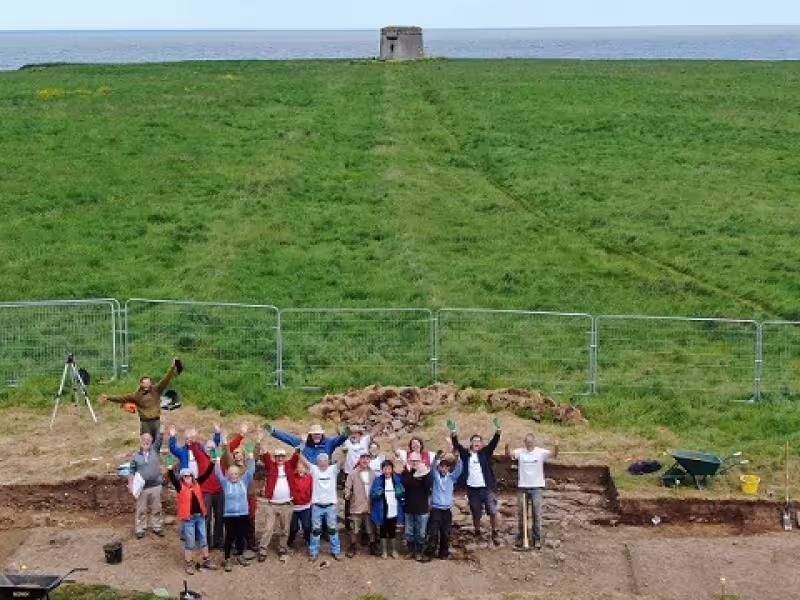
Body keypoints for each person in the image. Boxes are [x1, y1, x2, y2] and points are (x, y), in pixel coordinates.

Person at [169, 424, 224, 549]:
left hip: (199, 483)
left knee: (200, 511)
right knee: (188, 508)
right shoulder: (183, 450)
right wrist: (172, 436)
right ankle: (189, 534)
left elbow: (213, 446)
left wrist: (217, 433)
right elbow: (172, 448)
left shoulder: (201, 449)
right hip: (187, 483)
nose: (189, 440)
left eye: (191, 438)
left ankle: (208, 538)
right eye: (187, 438)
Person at [448, 418, 502, 545]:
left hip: (486, 487)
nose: (476, 442)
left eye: (479, 441)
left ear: (482, 444)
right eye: (474, 441)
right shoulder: (466, 454)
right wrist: (453, 432)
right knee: (475, 511)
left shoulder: (485, 453)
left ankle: (494, 531)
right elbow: (456, 445)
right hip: (472, 489)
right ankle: (477, 530)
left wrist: (498, 430)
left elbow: (494, 442)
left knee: (492, 510)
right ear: (471, 443)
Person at [99, 358, 179, 439]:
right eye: (145, 383)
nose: (147, 384)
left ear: (151, 383)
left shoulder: (156, 390)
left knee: (158, 442)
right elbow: (121, 398)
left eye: (148, 382)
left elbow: (165, 379)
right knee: (146, 442)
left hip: (156, 421)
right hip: (145, 423)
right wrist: (108, 397)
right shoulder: (136, 396)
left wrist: (172, 368)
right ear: (141, 384)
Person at [506, 433, 559, 551]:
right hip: (522, 487)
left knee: (537, 513)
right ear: (524, 442)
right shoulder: (520, 452)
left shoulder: (541, 452)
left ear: (535, 442)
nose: (529, 444)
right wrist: (507, 445)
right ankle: (521, 538)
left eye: (531, 442)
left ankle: (537, 539)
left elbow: (554, 455)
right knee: (521, 514)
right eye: (527, 442)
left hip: (536, 487)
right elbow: (508, 454)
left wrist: (556, 446)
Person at [167, 463, 217, 574]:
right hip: (188, 519)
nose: (188, 477)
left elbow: (207, 474)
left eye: (190, 475)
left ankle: (206, 560)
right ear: (182, 478)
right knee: (190, 542)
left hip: (199, 517)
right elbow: (172, 478)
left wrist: (212, 463)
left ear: (193, 476)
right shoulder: (180, 486)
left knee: (204, 539)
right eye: (185, 476)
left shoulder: (197, 483)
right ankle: (188, 563)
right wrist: (170, 469)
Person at [214, 444, 256, 572]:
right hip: (230, 515)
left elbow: (251, 470)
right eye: (231, 474)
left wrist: (250, 456)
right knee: (229, 537)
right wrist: (216, 460)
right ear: (228, 474)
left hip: (243, 513)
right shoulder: (225, 483)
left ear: (239, 474)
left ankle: (240, 555)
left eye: (236, 473)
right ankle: (227, 559)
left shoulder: (244, 481)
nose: (233, 476)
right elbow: (218, 473)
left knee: (240, 536)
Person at [221, 424, 259, 560]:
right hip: (238, 499)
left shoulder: (248, 465)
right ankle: (238, 546)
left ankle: (251, 543)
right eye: (236, 454)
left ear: (243, 455)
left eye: (240, 454)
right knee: (238, 522)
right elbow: (226, 456)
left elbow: (255, 455)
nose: (238, 457)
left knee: (250, 521)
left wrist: (258, 441)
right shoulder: (233, 468)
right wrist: (225, 443)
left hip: (250, 496)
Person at [258, 440, 299, 561]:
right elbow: (265, 455)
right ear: (275, 458)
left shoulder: (289, 466)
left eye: (282, 456)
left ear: (285, 457)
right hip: (272, 504)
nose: (280, 458)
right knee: (268, 528)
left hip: (286, 503)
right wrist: (261, 441)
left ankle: (282, 546)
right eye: (278, 456)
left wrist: (301, 442)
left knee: (284, 528)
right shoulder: (271, 466)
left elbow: (296, 456)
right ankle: (263, 548)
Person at [423, 452, 463, 561]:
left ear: (449, 468)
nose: (444, 469)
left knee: (446, 533)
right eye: (442, 467)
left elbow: (459, 469)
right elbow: (432, 468)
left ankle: (443, 553)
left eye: (446, 467)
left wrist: (458, 457)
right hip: (436, 509)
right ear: (439, 467)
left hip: (446, 510)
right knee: (433, 533)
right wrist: (437, 458)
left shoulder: (451, 478)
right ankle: (429, 553)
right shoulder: (436, 477)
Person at [341, 424, 380, 534]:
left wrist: (383, 422)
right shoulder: (346, 442)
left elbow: (374, 432)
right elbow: (341, 433)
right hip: (350, 474)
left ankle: (366, 530)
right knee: (349, 500)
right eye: (352, 433)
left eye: (356, 433)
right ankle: (350, 528)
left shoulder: (365, 440)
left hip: (365, 472)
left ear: (359, 434)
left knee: (366, 499)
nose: (354, 435)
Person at [307, 452, 342, 562]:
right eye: (320, 461)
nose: (322, 463)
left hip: (330, 506)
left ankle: (335, 551)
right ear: (317, 462)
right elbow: (305, 462)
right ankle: (313, 552)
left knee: (333, 530)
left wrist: (346, 452)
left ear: (328, 461)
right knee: (316, 531)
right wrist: (299, 450)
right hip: (317, 506)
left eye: (325, 461)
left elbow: (342, 462)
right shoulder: (314, 470)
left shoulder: (333, 469)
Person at [129, 429, 164, 539]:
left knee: (156, 508)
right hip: (142, 488)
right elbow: (131, 471)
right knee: (141, 509)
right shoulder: (135, 456)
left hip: (156, 486)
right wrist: (130, 485)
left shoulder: (155, 450)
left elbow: (160, 439)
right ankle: (140, 529)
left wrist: (161, 430)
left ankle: (157, 526)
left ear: (152, 441)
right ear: (140, 441)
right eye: (144, 440)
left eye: (148, 440)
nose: (146, 441)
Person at [343, 452, 376, 558]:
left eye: (367, 458)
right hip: (356, 505)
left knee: (370, 528)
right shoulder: (353, 473)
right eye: (363, 458)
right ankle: (353, 546)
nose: (365, 460)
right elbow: (347, 487)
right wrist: (347, 494)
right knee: (354, 528)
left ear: (369, 460)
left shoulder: (373, 474)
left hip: (370, 505)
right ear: (360, 460)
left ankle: (372, 545)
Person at [370, 459, 405, 559]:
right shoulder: (378, 480)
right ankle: (384, 550)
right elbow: (373, 495)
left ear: (392, 469)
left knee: (393, 530)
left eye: (389, 468)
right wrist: (377, 493)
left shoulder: (397, 479)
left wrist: (401, 493)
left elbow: (402, 493)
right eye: (385, 469)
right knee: (383, 531)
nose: (387, 471)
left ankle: (393, 550)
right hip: (382, 510)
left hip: (394, 509)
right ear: (382, 470)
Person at [401, 452, 432, 560]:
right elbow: (406, 484)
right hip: (409, 507)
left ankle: (419, 552)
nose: (414, 463)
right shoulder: (406, 473)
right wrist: (410, 472)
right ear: (409, 461)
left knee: (421, 533)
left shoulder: (425, 473)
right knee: (409, 532)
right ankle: (411, 551)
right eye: (412, 460)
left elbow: (428, 486)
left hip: (422, 508)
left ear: (420, 461)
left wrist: (423, 472)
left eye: (416, 460)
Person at [268, 422, 349, 464]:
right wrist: (273, 431)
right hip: (307, 474)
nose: (317, 436)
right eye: (314, 434)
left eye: (318, 434)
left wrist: (346, 434)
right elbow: (288, 437)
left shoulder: (329, 443)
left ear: (322, 434)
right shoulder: (303, 442)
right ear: (310, 434)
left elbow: (339, 439)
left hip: (322, 474)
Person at [287, 453, 313, 550]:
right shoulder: (292, 477)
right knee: (294, 528)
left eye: (302, 468)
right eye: (298, 467)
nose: (300, 469)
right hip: (294, 507)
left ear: (306, 469)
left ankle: (308, 539)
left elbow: (313, 490)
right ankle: (290, 541)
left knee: (306, 526)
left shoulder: (310, 478)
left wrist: (312, 501)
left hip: (306, 506)